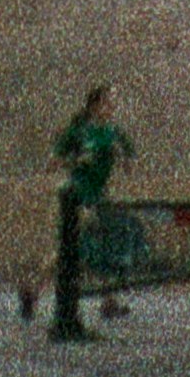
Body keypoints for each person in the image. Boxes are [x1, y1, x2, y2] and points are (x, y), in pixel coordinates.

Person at [52, 83, 139, 319]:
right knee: (85, 241)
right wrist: (79, 160)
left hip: (99, 195)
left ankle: (33, 290)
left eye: (113, 102)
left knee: (81, 247)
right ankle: (107, 300)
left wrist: (123, 158)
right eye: (107, 102)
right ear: (94, 106)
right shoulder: (79, 131)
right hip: (78, 193)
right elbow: (55, 161)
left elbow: (131, 163)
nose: (112, 107)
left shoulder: (114, 133)